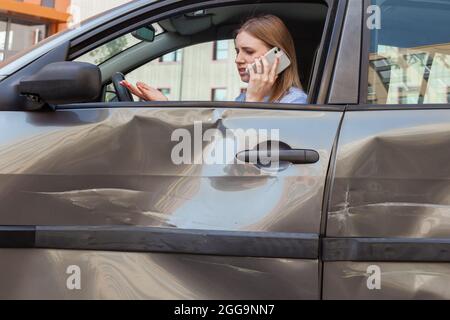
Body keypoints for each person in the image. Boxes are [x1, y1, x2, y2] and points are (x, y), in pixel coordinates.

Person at [120, 14, 307, 104]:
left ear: (277, 57)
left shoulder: (296, 102)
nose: (238, 60)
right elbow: (214, 141)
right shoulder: (243, 98)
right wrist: (165, 105)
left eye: (248, 51)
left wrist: (254, 99)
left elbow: (241, 155)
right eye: (236, 51)